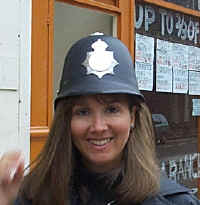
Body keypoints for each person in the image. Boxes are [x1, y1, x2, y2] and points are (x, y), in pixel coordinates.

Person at [0, 33, 200, 205]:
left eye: (112, 109)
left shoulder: (174, 202)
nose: (98, 127)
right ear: (66, 120)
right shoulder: (33, 197)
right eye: (83, 112)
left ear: (133, 117)